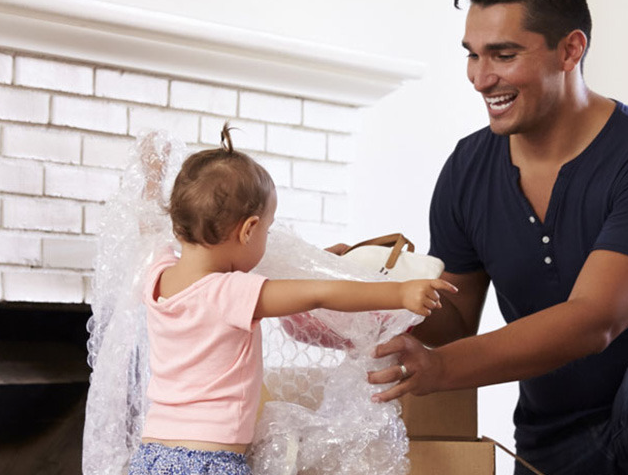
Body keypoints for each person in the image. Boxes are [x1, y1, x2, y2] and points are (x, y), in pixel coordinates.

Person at [360, 0, 628, 474]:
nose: (481, 79)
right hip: (559, 429)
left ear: (570, 49)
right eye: (473, 55)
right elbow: (454, 319)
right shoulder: (466, 168)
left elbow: (595, 319)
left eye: (503, 55)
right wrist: (362, 296)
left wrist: (442, 369)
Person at [128, 125, 454, 475]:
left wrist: (153, 176)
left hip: (152, 457)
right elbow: (318, 294)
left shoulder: (157, 276)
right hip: (210, 462)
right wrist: (399, 292)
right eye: (267, 230)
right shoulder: (230, 292)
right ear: (249, 229)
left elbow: (146, 232)